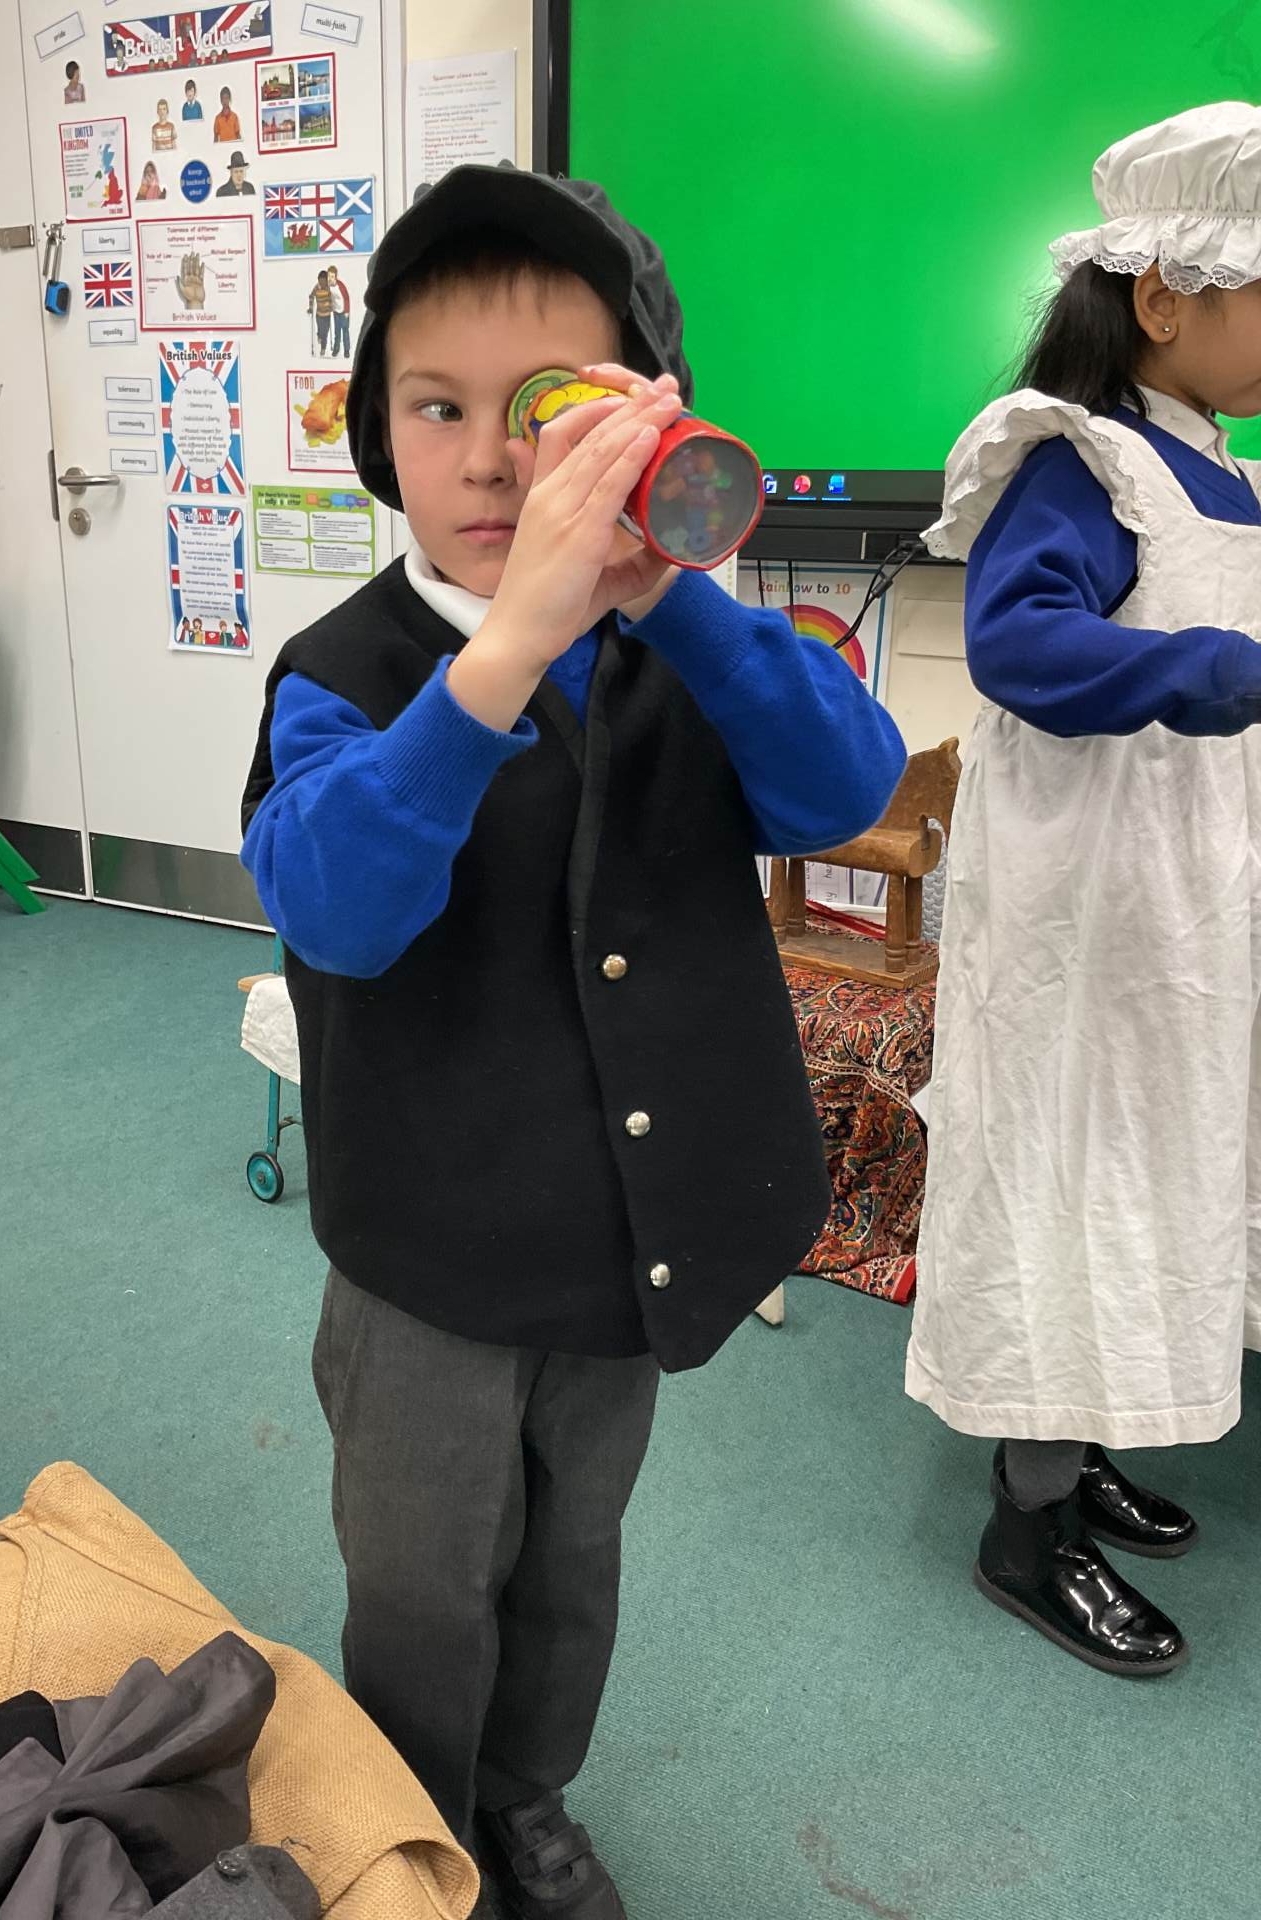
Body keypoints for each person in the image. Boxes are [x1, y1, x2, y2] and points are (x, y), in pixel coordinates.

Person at [240, 161, 904, 1920]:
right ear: (379, 431)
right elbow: (339, 906)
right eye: (435, 407)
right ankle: (415, 1833)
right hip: (430, 1260)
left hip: (626, 1238)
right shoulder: (341, 671)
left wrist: (666, 587)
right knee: (422, 1580)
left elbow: (843, 788)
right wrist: (508, 650)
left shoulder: (692, 644)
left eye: (546, 409)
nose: (490, 461)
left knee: (572, 1554)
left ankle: (525, 1794)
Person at [908, 102, 1261, 1677]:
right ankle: (1026, 1523)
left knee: (1151, 1172)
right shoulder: (1076, 457)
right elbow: (1019, 645)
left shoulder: (1221, 466)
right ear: (1167, 297)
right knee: (1070, 1177)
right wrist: (1216, 670)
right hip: (1084, 909)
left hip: (1176, 903)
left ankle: (1085, 1436)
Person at [326, 265, 351, 356]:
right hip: (336, 311)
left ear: (335, 277)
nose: (330, 278)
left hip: (344, 311)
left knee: (345, 331)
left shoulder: (340, 286)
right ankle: (336, 349)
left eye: (332, 276)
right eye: (329, 276)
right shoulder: (328, 287)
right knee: (337, 331)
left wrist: (347, 311)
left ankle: (346, 350)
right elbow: (329, 298)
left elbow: (346, 298)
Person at [307, 270, 333, 355]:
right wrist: (310, 308)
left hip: (327, 315)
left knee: (325, 332)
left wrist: (331, 306)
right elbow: (311, 296)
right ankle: (320, 338)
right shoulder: (317, 287)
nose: (321, 283)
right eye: (320, 280)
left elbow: (332, 298)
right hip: (319, 314)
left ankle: (323, 347)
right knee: (321, 330)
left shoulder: (329, 288)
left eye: (323, 281)